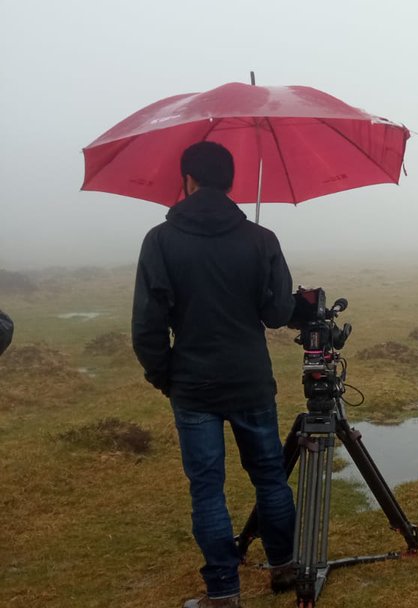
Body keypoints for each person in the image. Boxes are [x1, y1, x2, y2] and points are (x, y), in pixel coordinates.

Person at [132, 142, 297, 608]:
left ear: (187, 181)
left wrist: (166, 376)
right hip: (251, 381)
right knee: (269, 476)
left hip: (193, 386)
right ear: (230, 183)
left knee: (208, 488)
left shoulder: (159, 241)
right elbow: (278, 312)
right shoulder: (261, 239)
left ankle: (224, 592)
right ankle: (283, 566)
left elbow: (147, 325)